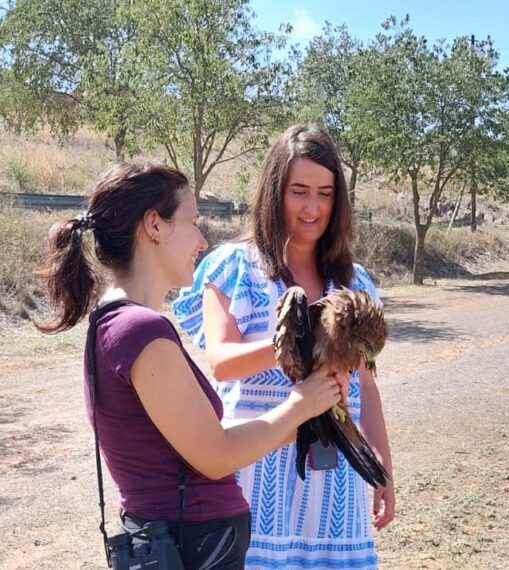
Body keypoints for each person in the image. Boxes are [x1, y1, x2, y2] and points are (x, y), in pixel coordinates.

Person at [36, 162, 343, 570]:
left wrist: (304, 422)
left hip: (183, 541)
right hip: (196, 546)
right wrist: (302, 405)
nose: (202, 240)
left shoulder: (114, 323)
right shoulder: (140, 330)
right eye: (193, 221)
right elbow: (215, 456)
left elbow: (195, 440)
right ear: (154, 226)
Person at [173, 125, 395, 569]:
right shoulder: (234, 266)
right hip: (257, 472)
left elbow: (365, 388)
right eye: (299, 191)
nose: (313, 207)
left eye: (325, 193)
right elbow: (221, 362)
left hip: (336, 481)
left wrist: (382, 466)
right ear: (275, 192)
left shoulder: (355, 282)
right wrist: (297, 339)